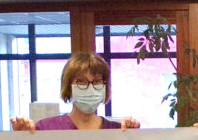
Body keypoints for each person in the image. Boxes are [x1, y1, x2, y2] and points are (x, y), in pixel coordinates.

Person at [10, 52, 139, 133]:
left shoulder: (118, 131)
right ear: (68, 86)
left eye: (97, 81)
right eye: (81, 81)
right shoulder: (46, 128)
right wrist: (21, 138)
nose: (90, 87)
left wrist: (134, 135)